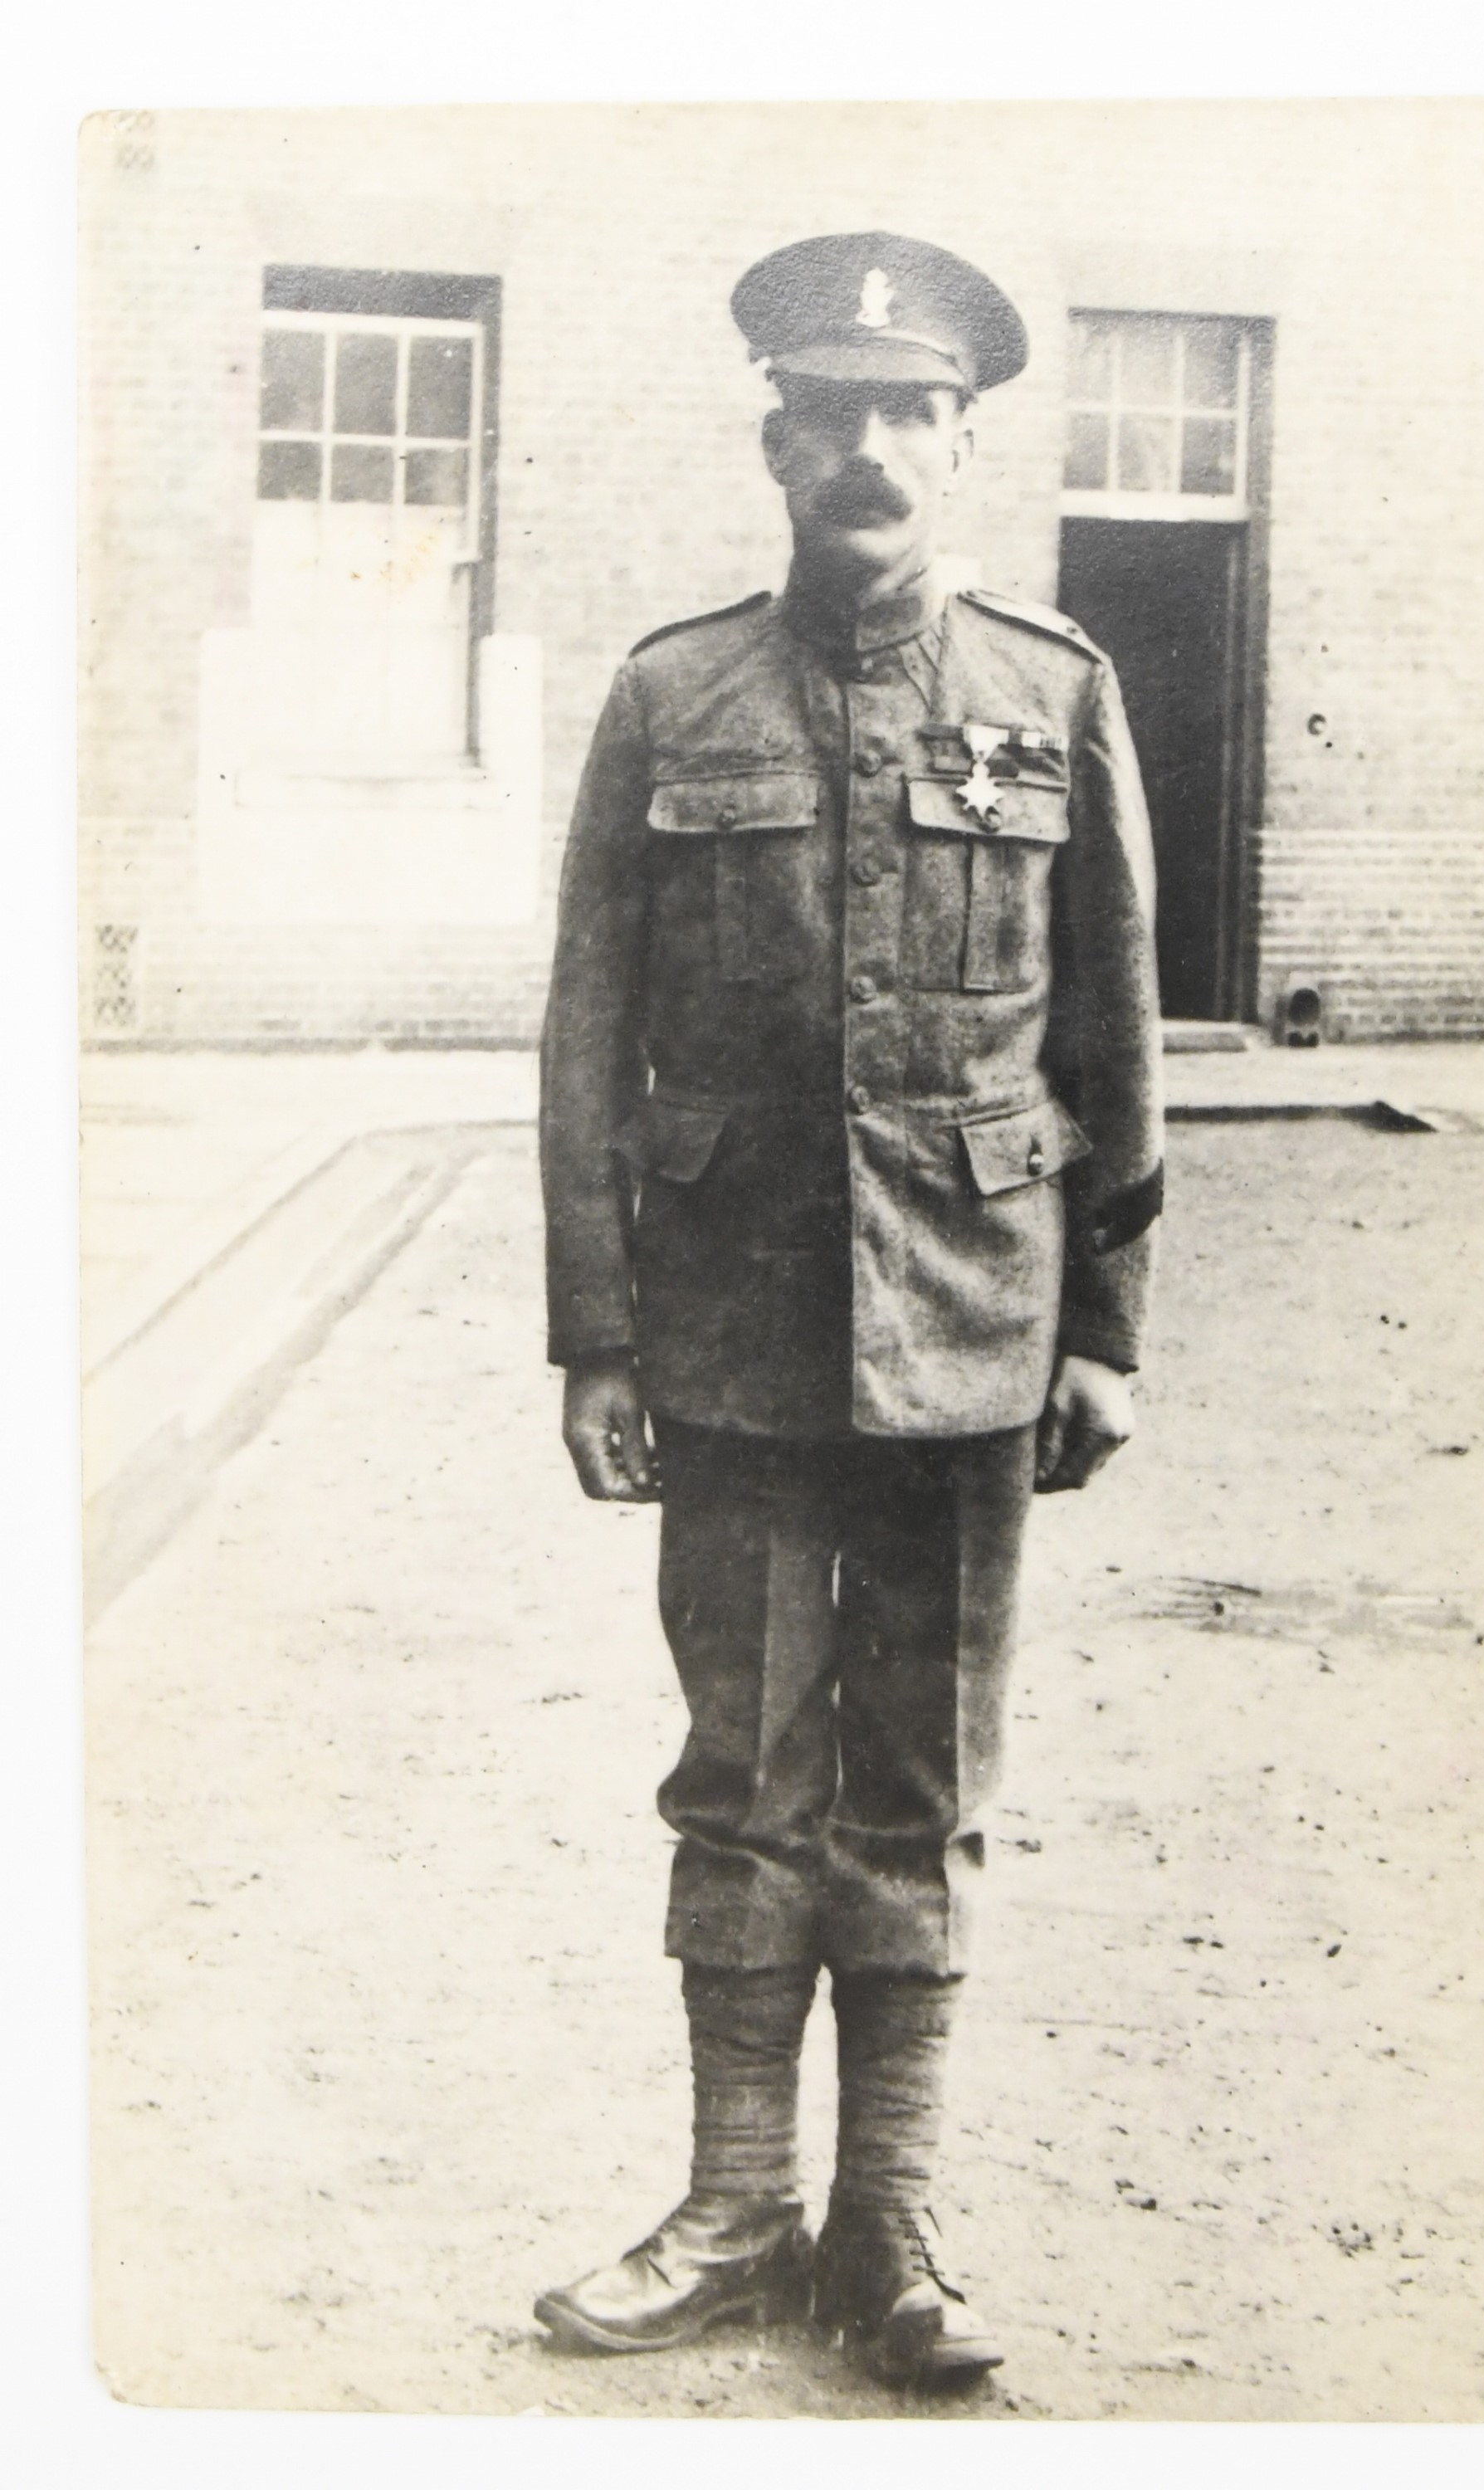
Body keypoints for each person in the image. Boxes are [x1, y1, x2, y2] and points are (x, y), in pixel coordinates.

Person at [534, 230, 1163, 2388]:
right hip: (722, 1322)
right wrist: (595, 1335)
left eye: (913, 415)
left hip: (972, 1315)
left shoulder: (1052, 690)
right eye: (836, 416)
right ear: (777, 442)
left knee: (916, 1773)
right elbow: (586, 1031)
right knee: (740, 1768)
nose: (872, 450)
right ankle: (735, 2203)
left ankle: (885, 2223)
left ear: (962, 442)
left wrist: (1105, 1322)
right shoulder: (667, 692)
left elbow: (1113, 1036)